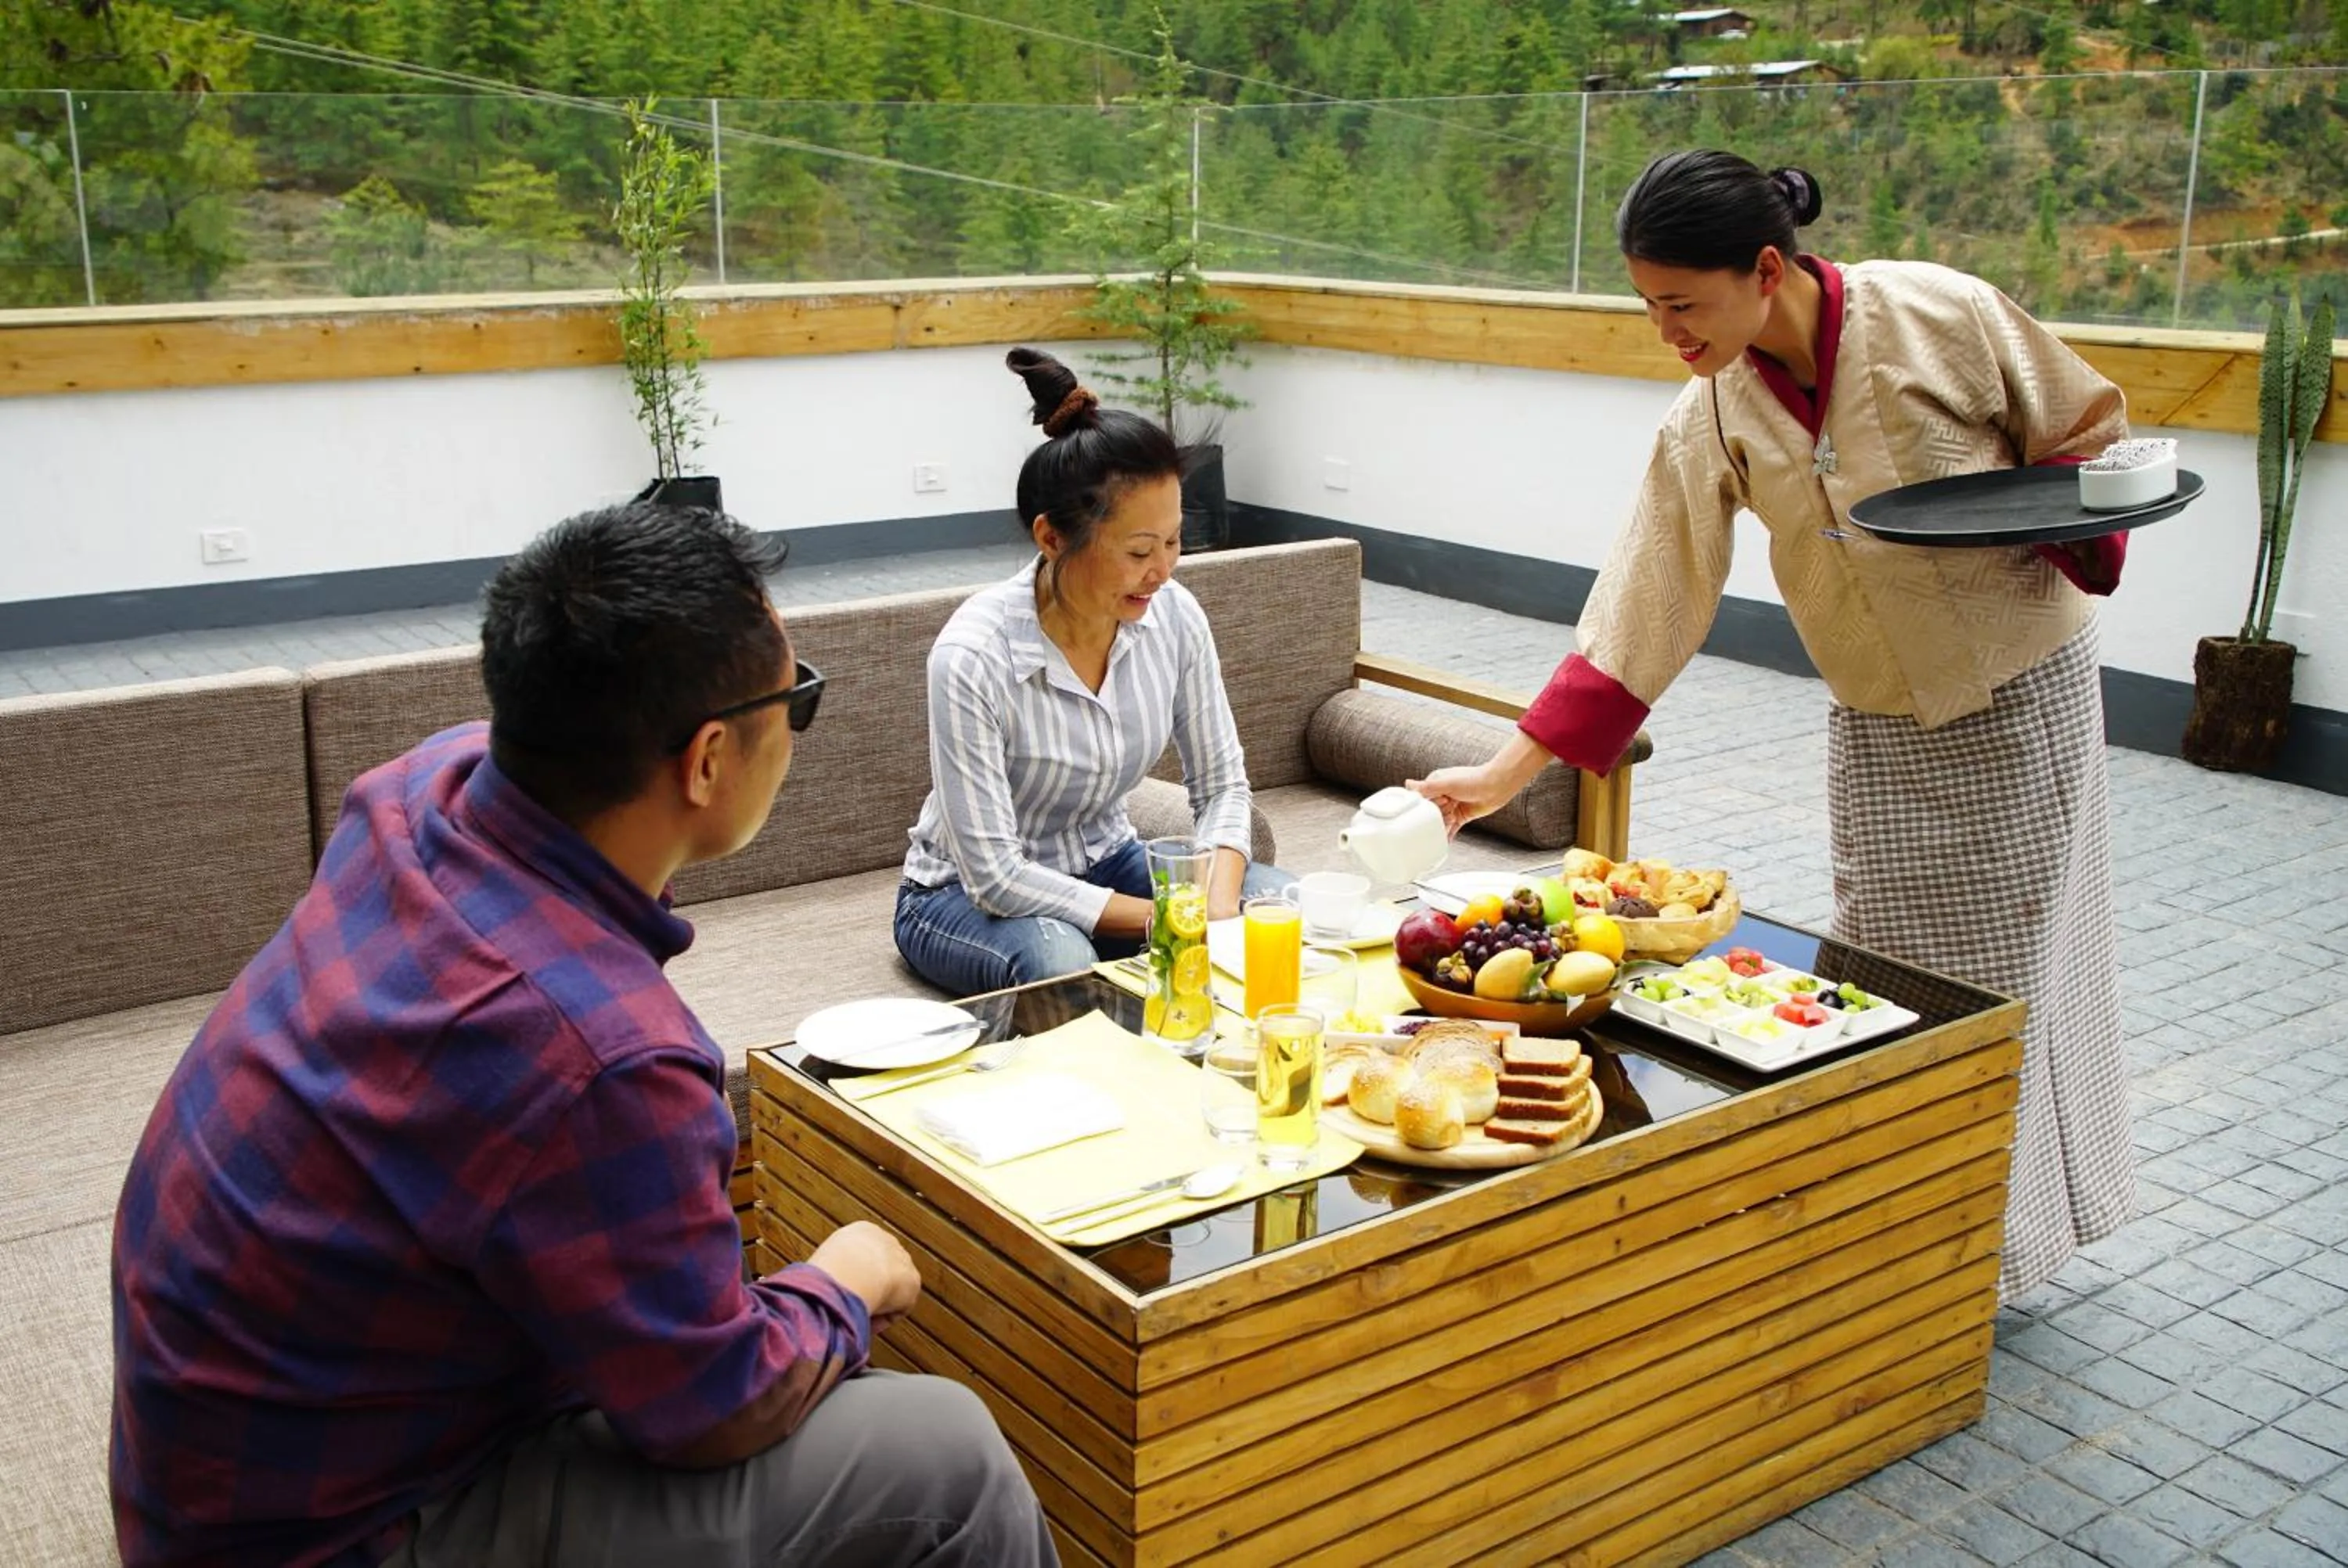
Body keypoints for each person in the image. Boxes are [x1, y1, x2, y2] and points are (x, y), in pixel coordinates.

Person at [110, 502, 1058, 1568]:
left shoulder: (424, 791)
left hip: (224, 1462)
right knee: (942, 1456)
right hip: (334, 1534)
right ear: (707, 760)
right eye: (797, 700)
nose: (795, 727)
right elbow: (713, 1409)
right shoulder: (599, 1055)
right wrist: (849, 1278)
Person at [1412, 149, 2135, 1300]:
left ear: (1765, 267)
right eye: (1648, 306)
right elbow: (1646, 601)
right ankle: (1895, 1222)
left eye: (1684, 305)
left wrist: (2084, 526)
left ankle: (1979, 1259)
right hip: (1879, 723)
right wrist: (1503, 775)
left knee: (2002, 983)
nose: (1667, 333)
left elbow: (2081, 422)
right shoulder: (1714, 408)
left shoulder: (1936, 312)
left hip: (2019, 699)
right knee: (1874, 974)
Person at [895, 347, 1289, 996]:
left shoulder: (1176, 616)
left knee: (1279, 908)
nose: (1163, 571)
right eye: (1139, 550)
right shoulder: (973, 656)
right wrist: (1179, 917)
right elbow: (995, 875)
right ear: (1051, 539)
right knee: (1061, 961)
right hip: (958, 899)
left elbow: (1222, 787)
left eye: (1173, 541)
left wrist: (1218, 904)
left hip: (1109, 863)